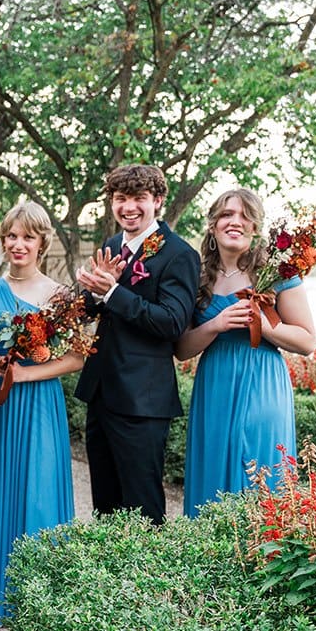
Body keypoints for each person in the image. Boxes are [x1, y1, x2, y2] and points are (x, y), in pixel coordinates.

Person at [0, 203, 78, 625]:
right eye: (11, 236)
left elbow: (76, 359)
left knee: (37, 487)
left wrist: (25, 375)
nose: (18, 244)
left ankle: (38, 599)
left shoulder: (60, 295)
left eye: (27, 237)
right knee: (0, 484)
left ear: (42, 242)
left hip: (38, 402)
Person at [75, 164, 200, 525]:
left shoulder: (179, 254)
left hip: (142, 400)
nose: (129, 207)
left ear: (157, 201)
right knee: (105, 504)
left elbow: (172, 322)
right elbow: (92, 310)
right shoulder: (112, 246)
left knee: (142, 507)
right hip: (101, 392)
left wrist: (113, 292)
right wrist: (92, 294)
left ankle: (148, 581)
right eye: (120, 198)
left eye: (138, 198)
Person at [177, 188, 316, 515]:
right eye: (226, 214)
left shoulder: (277, 274)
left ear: (255, 227)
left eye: (244, 216)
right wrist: (216, 324)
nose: (234, 222)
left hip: (263, 382)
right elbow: (181, 350)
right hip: (215, 384)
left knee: (261, 467)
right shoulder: (196, 278)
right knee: (213, 467)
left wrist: (264, 326)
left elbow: (308, 341)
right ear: (212, 226)